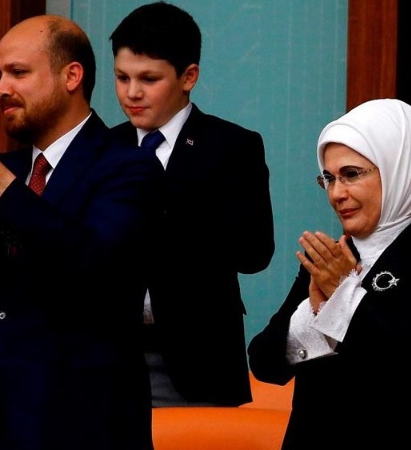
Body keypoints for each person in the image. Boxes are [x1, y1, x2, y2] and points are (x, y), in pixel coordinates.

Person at [0, 15, 163, 450]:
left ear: (71, 76)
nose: (0, 89)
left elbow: (92, 263)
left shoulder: (129, 166)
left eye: (18, 72)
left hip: (84, 424)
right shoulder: (4, 171)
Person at [248, 99, 411, 449]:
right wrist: (313, 313)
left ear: (401, 170)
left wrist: (344, 297)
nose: (337, 193)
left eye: (351, 174)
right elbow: (264, 362)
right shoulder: (332, 258)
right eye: (329, 178)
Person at [108, 1, 275, 407]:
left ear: (189, 77)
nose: (132, 92)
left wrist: (171, 206)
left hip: (198, 358)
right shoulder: (102, 148)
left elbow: (255, 253)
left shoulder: (232, 146)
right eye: (122, 77)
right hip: (108, 353)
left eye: (149, 79)